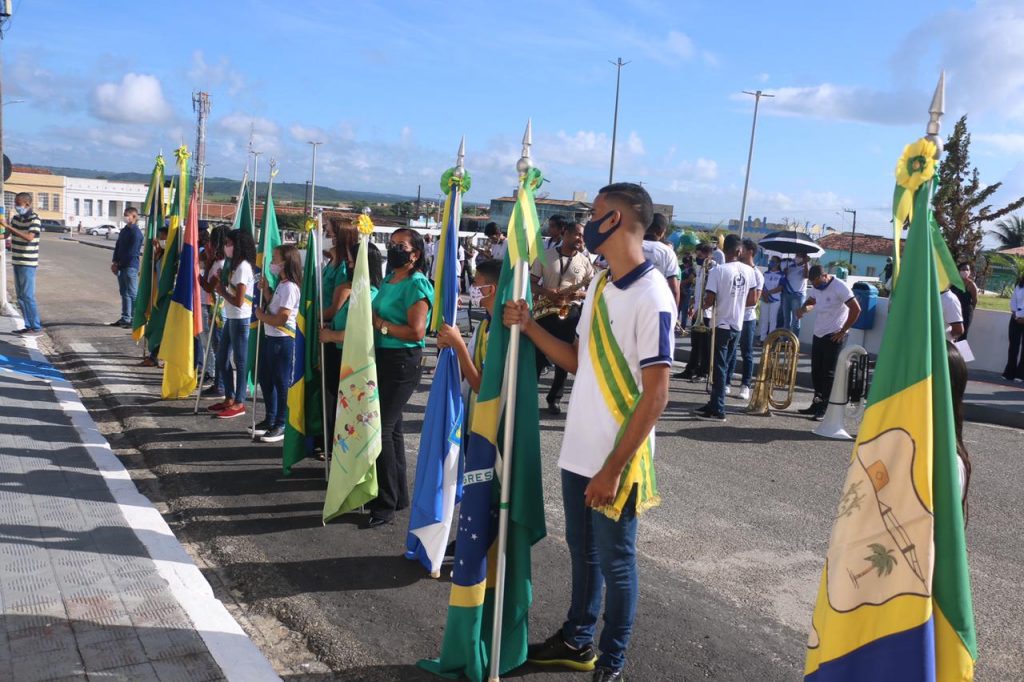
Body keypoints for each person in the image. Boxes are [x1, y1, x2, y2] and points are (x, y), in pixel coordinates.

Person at [506, 182, 675, 681]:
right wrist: (530, 327)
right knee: (583, 555)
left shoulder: (654, 296)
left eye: (596, 213)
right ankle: (577, 640)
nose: (586, 224)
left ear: (616, 220)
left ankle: (612, 661)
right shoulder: (601, 284)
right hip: (580, 451)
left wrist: (613, 469)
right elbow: (580, 361)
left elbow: (657, 395)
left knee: (617, 563)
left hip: (616, 459)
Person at [368, 228, 434, 528]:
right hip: (382, 358)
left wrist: (380, 324)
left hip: (403, 361)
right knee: (392, 429)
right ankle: (397, 495)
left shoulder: (417, 283)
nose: (393, 249)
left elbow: (416, 331)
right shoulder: (388, 279)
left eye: (401, 245)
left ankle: (385, 503)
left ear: (415, 254)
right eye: (392, 244)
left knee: (381, 429)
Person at [320, 240, 384, 449]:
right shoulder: (355, 291)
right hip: (338, 354)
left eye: (352, 261)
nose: (348, 266)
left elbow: (358, 334)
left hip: (351, 359)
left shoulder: (369, 295)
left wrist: (331, 335)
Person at [531, 220, 595, 414]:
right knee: (536, 355)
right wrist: (546, 292)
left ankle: (555, 399)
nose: (580, 239)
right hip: (545, 311)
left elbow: (593, 289)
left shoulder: (585, 262)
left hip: (570, 312)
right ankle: (528, 397)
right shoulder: (545, 256)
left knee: (565, 358)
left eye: (583, 236)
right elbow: (530, 283)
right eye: (577, 234)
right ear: (565, 233)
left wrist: (580, 294)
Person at [692, 234, 757, 421]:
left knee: (718, 368)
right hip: (737, 324)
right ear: (739, 250)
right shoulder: (749, 271)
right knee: (723, 366)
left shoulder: (718, 270)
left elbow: (709, 300)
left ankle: (718, 409)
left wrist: (704, 305)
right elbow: (752, 300)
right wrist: (736, 302)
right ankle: (714, 403)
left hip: (721, 324)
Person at [251, 245, 302, 443]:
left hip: (282, 340)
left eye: (275, 258)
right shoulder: (282, 284)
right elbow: (274, 304)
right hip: (271, 338)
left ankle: (281, 423)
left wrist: (261, 316)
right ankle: (270, 418)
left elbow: (281, 318)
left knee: (281, 382)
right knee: (266, 378)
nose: (272, 262)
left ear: (285, 262)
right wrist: (266, 291)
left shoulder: (290, 287)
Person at [796, 265, 861, 420]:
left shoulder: (840, 287)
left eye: (818, 283)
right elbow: (812, 301)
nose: (816, 286)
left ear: (824, 275)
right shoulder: (816, 286)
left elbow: (856, 309)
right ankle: (816, 403)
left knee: (828, 373)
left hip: (834, 335)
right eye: (813, 284)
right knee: (816, 371)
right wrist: (804, 308)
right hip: (818, 333)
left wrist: (843, 331)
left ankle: (825, 408)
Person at [209, 229, 257, 420]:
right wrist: (224, 279)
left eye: (229, 244)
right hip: (231, 317)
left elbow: (239, 301)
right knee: (221, 358)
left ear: (238, 246)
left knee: (240, 360)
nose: (226, 247)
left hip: (240, 318)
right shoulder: (234, 266)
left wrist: (222, 291)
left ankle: (239, 401)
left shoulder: (243, 267)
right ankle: (229, 396)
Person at [725, 238, 764, 402]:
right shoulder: (736, 269)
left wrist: (735, 302)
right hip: (734, 316)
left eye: (743, 248)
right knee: (731, 350)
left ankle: (745, 385)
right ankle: (726, 382)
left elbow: (754, 300)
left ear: (750, 252)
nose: (739, 251)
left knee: (747, 352)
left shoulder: (757, 274)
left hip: (747, 318)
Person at [5, 192, 43, 335]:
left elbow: (29, 237)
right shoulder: (16, 219)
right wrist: (6, 227)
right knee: (20, 296)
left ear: (27, 204)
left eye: (18, 204)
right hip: (17, 261)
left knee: (28, 296)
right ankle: (28, 325)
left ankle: (36, 326)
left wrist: (9, 227)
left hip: (28, 263)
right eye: (15, 203)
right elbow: (6, 235)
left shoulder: (35, 220)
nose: (16, 206)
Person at [675, 244, 715, 381]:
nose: (697, 258)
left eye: (700, 256)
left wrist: (701, 308)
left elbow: (711, 292)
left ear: (708, 255)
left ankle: (703, 372)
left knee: (705, 345)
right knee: (695, 343)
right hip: (697, 310)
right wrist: (693, 303)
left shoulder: (713, 269)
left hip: (706, 313)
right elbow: (699, 288)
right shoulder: (700, 268)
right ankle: (690, 369)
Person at [199, 226, 227, 396]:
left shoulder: (222, 264)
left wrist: (196, 275)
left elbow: (209, 287)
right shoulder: (215, 262)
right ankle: (218, 383)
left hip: (219, 313)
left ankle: (220, 384)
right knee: (215, 346)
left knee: (218, 349)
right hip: (213, 310)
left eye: (212, 241)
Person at [110, 207, 143, 328]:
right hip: (121, 266)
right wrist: (115, 262)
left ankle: (135, 320)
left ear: (134, 217)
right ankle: (125, 318)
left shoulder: (136, 233)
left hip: (130, 266)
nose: (125, 217)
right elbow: (118, 246)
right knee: (124, 292)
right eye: (125, 215)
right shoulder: (124, 230)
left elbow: (132, 252)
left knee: (133, 293)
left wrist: (119, 263)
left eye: (127, 215)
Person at [641, 213, 680, 309]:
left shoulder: (630, 246)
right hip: (657, 306)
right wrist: (674, 314)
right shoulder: (667, 252)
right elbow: (674, 289)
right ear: (662, 231)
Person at [779, 254, 809, 335]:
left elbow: (806, 276)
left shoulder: (806, 266)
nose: (797, 257)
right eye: (796, 255)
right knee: (786, 319)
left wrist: (806, 263)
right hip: (786, 294)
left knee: (796, 320)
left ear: (804, 257)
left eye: (799, 256)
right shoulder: (790, 266)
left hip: (798, 296)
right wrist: (784, 273)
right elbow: (782, 278)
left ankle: (793, 341)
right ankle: (785, 339)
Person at [1004, 272, 1024, 382]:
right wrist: (1016, 315)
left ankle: (1021, 374)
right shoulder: (1019, 286)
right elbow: (1013, 301)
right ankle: (1009, 373)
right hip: (1015, 319)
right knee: (1013, 346)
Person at [951, 262, 979, 339]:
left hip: (965, 312)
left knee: (962, 336)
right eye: (963, 269)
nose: (965, 271)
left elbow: (975, 300)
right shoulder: (953, 282)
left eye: (967, 269)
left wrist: (970, 311)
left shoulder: (971, 284)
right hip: (954, 311)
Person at [759, 256, 784, 342]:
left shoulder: (781, 275)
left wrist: (768, 293)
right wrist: (764, 295)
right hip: (764, 299)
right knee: (764, 320)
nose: (771, 262)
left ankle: (771, 340)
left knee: (773, 320)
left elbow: (780, 288)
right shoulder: (765, 273)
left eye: (773, 261)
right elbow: (761, 285)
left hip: (775, 300)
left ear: (778, 263)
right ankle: (762, 339)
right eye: (771, 261)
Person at [678, 254, 695, 332]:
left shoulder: (693, 269)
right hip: (679, 289)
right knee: (677, 308)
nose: (685, 264)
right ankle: (676, 325)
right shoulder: (680, 267)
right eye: (684, 262)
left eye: (687, 262)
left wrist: (680, 282)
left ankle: (683, 327)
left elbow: (690, 279)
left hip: (687, 290)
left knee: (684, 310)